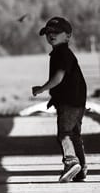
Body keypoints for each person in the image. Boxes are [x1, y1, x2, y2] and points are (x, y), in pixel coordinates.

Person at [31, 16, 88, 182]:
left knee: (64, 134)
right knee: (75, 134)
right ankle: (80, 169)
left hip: (69, 102)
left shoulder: (61, 54)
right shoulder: (63, 53)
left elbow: (58, 77)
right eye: (48, 32)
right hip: (77, 101)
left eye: (56, 32)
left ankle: (71, 162)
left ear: (68, 36)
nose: (51, 35)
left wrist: (42, 89)